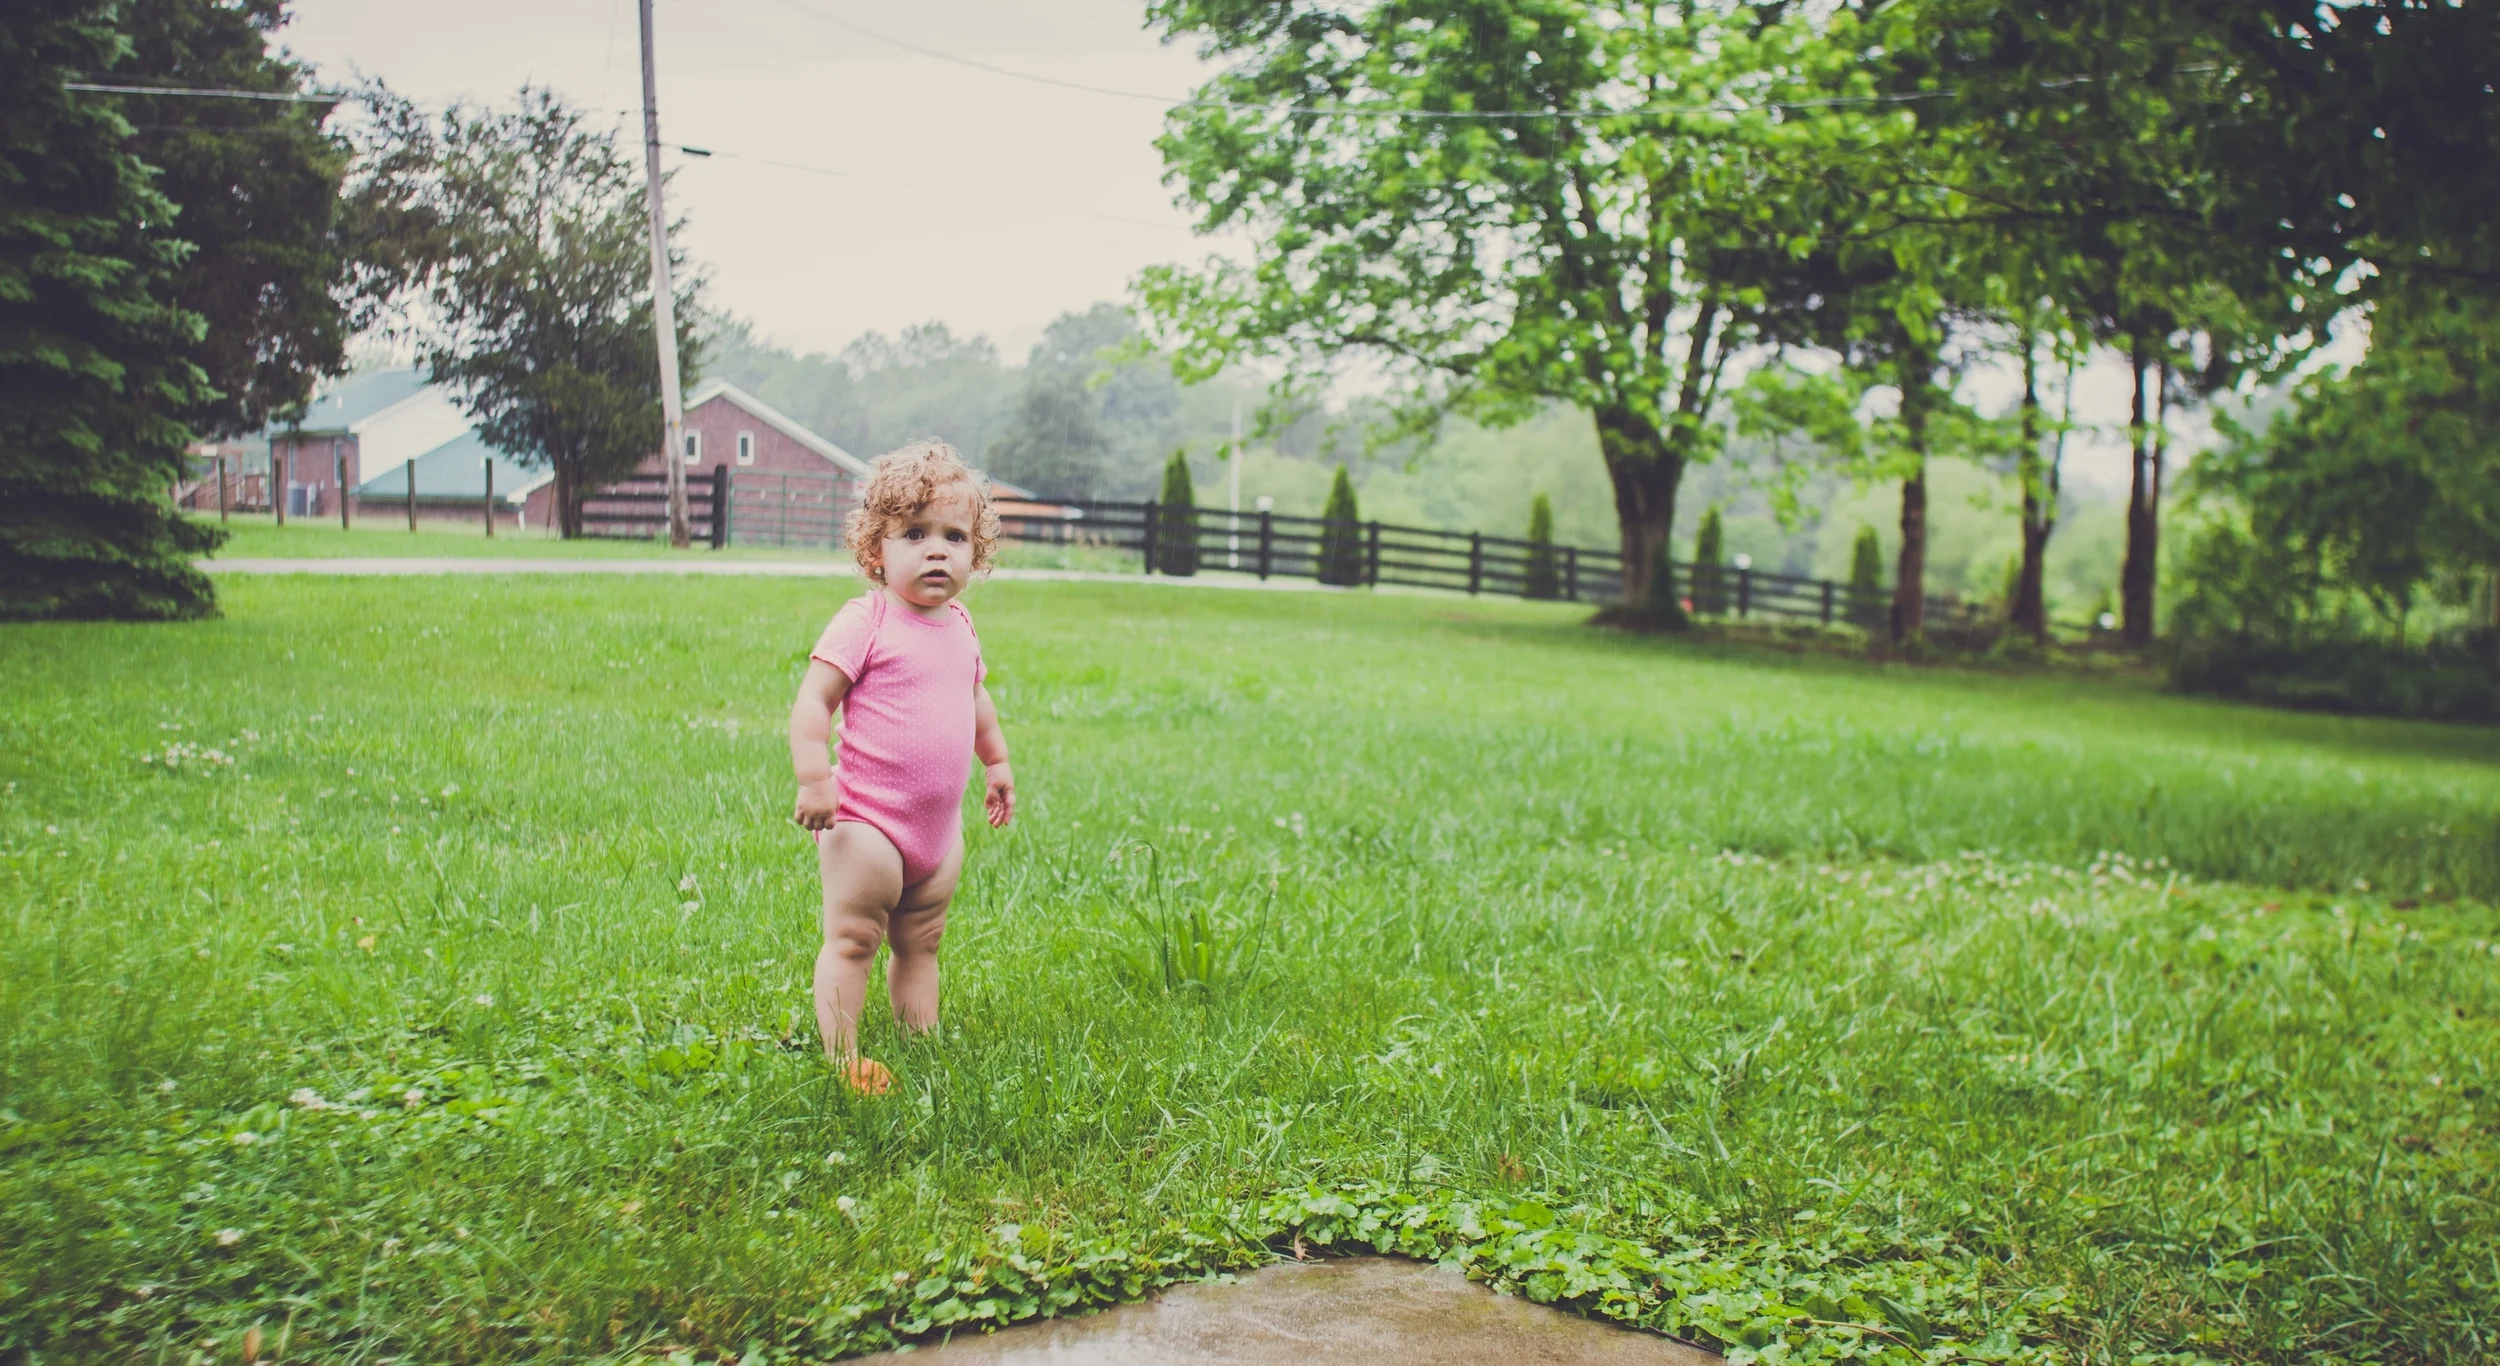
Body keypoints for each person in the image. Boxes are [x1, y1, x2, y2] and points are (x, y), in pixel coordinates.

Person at [787, 441, 1013, 1093]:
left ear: (977, 550)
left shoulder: (961, 624)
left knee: (923, 942)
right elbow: (813, 702)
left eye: (954, 536)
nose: (937, 550)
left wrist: (996, 762)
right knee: (855, 939)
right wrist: (813, 779)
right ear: (875, 550)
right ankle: (843, 1055)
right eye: (915, 534)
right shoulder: (868, 620)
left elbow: (975, 699)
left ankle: (922, 1043)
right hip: (866, 824)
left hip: (936, 837)